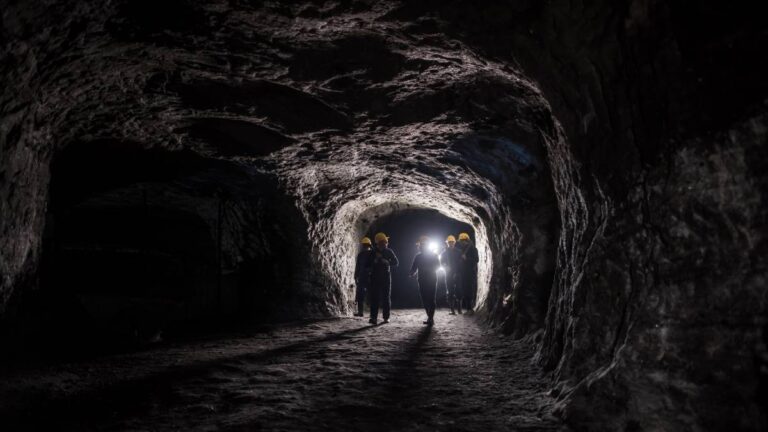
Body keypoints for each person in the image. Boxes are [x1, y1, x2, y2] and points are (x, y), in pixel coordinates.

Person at [365, 232, 399, 325]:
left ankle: (386, 317)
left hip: (386, 278)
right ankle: (373, 318)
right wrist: (374, 262)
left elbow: (396, 262)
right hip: (374, 278)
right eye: (384, 241)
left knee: (386, 298)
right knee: (374, 298)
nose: (385, 243)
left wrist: (387, 262)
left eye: (385, 241)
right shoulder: (372, 253)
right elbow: (367, 266)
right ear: (379, 243)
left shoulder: (389, 251)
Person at [410, 235, 441, 325]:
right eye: (421, 245)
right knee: (424, 299)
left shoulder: (434, 255)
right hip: (422, 280)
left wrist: (429, 269)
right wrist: (412, 272)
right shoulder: (418, 256)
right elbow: (414, 267)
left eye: (423, 245)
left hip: (431, 279)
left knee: (431, 298)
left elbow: (438, 266)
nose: (421, 246)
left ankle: (430, 318)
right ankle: (430, 317)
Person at [440, 235, 462, 315]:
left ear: (454, 242)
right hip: (448, 274)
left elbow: (461, 263)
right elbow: (441, 262)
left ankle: (459, 309)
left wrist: (458, 271)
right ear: (447, 243)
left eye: (452, 242)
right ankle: (452, 309)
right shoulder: (444, 252)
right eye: (449, 242)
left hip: (458, 273)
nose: (451, 243)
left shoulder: (459, 252)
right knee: (450, 291)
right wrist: (445, 266)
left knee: (459, 290)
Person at [456, 232, 479, 312]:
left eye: (463, 241)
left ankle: (470, 308)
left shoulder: (473, 249)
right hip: (463, 273)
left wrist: (467, 259)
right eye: (461, 241)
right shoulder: (461, 250)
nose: (462, 243)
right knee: (464, 290)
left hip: (470, 272)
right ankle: (467, 308)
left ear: (467, 240)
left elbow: (476, 260)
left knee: (470, 289)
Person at [353, 236, 372, 317]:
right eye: (364, 245)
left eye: (366, 245)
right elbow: (358, 266)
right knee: (360, 294)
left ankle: (372, 312)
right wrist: (356, 276)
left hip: (369, 276)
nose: (365, 246)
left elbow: (374, 265)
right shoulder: (361, 255)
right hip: (362, 276)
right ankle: (360, 312)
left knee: (370, 294)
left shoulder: (372, 254)